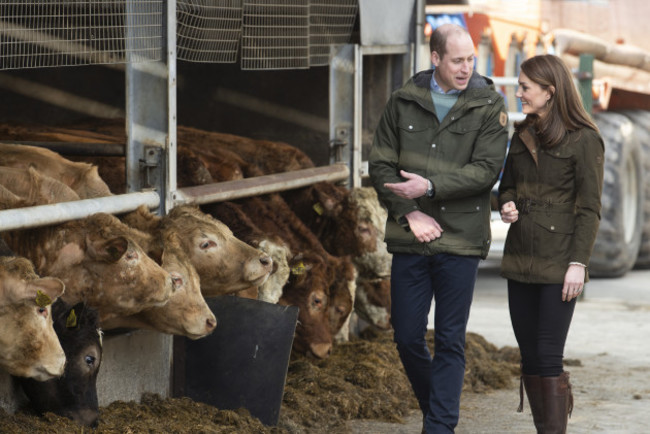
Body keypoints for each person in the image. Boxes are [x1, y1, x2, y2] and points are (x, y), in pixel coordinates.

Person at [368, 23, 509, 433]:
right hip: (411, 238)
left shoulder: (489, 105)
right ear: (435, 59)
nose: (467, 69)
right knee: (406, 336)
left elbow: (485, 172)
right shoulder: (402, 103)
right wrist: (410, 212)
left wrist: (429, 185)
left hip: (460, 241)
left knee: (450, 340)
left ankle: (439, 427)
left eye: (471, 60)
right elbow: (380, 166)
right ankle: (438, 412)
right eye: (457, 60)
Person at [498, 54, 604, 433]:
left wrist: (579, 263)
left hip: (560, 263)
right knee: (528, 358)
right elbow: (507, 185)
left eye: (525, 87)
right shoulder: (522, 133)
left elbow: (590, 208)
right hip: (520, 258)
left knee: (546, 356)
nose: (519, 93)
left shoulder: (585, 140)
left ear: (550, 91)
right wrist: (506, 204)